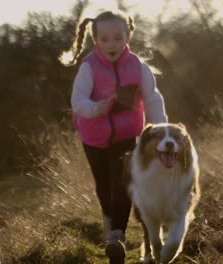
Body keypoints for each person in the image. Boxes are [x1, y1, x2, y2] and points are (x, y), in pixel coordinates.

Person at [62, 10, 168, 263]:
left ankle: (116, 237)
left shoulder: (138, 67)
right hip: (93, 138)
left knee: (122, 184)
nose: (112, 44)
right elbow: (78, 101)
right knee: (104, 187)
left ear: (128, 36)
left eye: (118, 38)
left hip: (127, 136)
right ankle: (111, 228)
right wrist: (95, 109)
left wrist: (160, 128)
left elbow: (152, 99)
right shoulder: (89, 67)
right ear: (95, 39)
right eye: (105, 39)